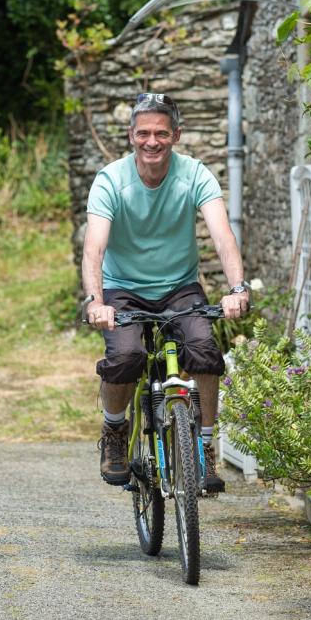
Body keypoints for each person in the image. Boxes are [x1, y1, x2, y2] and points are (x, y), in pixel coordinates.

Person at [82, 92, 249, 492]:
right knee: (126, 355)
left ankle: (205, 447)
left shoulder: (195, 175)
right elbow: (95, 248)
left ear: (176, 135)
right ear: (131, 135)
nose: (151, 141)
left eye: (161, 133)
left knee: (204, 352)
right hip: (122, 288)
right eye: (143, 133)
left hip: (179, 288)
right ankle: (115, 431)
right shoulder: (111, 180)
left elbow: (223, 236)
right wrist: (96, 300)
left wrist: (237, 288)